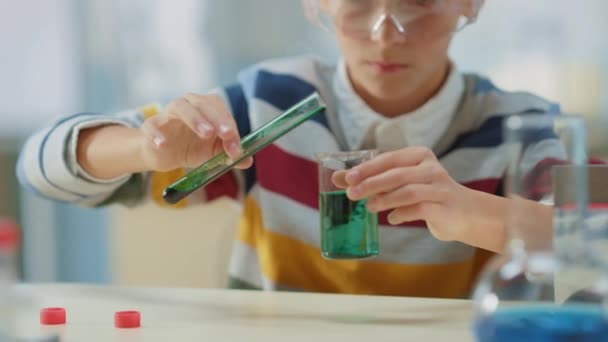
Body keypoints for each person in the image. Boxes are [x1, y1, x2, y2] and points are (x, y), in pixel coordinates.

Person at [17, 0, 561, 297]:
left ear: (469, 6)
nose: (385, 33)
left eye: (419, 3)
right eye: (358, 2)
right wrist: (146, 147)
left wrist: (480, 213)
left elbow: (599, 231)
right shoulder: (266, 102)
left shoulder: (520, 123)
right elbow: (40, 167)